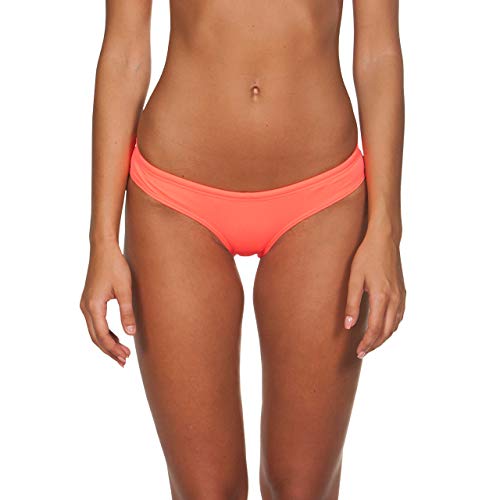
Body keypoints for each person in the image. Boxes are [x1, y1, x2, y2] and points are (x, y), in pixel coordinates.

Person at [80, 0, 406, 498]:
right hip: (175, 199)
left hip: (322, 199)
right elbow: (125, 51)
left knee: (304, 489)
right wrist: (101, 238)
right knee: (205, 491)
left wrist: (386, 230)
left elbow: (379, 53)